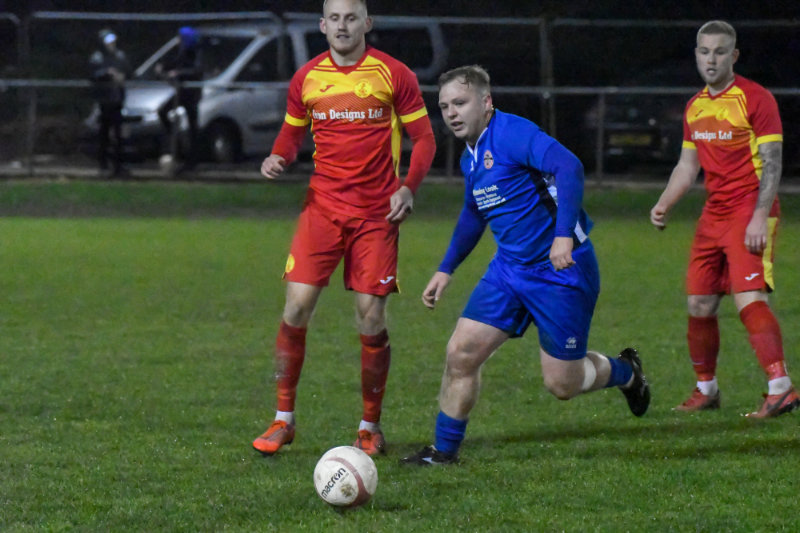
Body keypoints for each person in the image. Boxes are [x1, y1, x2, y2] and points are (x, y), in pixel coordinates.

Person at [401, 65, 649, 466]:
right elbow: (473, 213)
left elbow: (569, 167)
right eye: (444, 106)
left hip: (561, 271)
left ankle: (626, 372)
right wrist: (446, 268)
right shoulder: (470, 156)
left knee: (562, 384)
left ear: (486, 102)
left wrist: (563, 234)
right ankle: (443, 452)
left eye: (460, 103)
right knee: (461, 353)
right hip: (509, 270)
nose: (451, 113)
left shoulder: (512, 133)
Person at [252, 0, 436, 457]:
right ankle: (282, 420)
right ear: (322, 25)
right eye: (334, 18)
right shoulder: (307, 77)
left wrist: (408, 188)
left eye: (351, 17)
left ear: (366, 23)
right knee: (295, 308)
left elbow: (424, 138)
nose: (342, 25)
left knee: (370, 317)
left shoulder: (393, 74)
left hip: (376, 215)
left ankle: (369, 427)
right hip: (322, 209)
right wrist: (278, 156)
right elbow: (292, 133)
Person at [650, 20, 798, 418]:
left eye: (719, 52)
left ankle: (781, 387)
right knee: (699, 302)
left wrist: (759, 216)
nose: (711, 59)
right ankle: (707, 390)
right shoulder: (695, 106)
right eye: (704, 52)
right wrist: (665, 202)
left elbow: (772, 163)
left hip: (749, 208)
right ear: (696, 55)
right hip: (714, 212)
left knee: (750, 297)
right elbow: (687, 166)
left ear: (733, 56)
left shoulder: (755, 98)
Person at [156, 26, 202, 170]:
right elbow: (173, 63)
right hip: (182, 92)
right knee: (163, 111)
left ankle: (192, 159)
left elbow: (196, 70)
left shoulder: (195, 52)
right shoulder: (181, 51)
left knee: (193, 125)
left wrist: (178, 73)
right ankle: (177, 142)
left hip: (191, 93)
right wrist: (163, 68)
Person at [88, 29, 131, 177]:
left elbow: (129, 71)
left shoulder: (120, 55)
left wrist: (122, 76)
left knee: (118, 134)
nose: (111, 44)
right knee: (104, 133)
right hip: (104, 100)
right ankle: (103, 165)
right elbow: (92, 75)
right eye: (108, 42)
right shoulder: (97, 57)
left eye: (113, 41)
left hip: (117, 99)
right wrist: (107, 73)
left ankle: (119, 165)